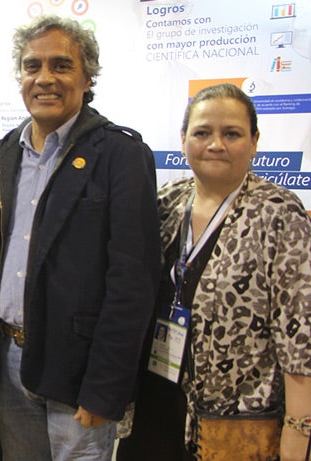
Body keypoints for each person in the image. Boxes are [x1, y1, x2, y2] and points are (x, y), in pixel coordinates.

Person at [0, 14, 160, 460]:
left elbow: (132, 283)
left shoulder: (121, 155)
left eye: (61, 65)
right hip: (9, 362)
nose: (44, 78)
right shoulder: (0, 156)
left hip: (79, 374)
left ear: (87, 77)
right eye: (32, 66)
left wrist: (105, 387)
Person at [116, 83, 311, 460]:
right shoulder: (167, 201)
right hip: (154, 403)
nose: (216, 144)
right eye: (202, 132)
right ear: (183, 139)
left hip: (234, 424)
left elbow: (299, 335)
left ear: (254, 142)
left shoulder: (279, 214)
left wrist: (298, 430)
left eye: (232, 134)